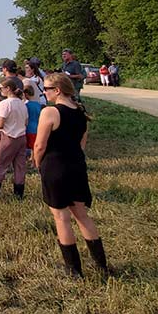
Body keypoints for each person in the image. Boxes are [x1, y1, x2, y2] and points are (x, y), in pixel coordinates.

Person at [32, 72, 109, 277]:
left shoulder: (50, 112)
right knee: (82, 215)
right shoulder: (80, 111)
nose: (44, 92)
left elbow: (39, 145)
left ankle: (73, 270)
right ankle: (101, 265)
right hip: (76, 165)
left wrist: (38, 164)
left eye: (46, 89)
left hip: (55, 166)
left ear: (57, 90)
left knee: (61, 218)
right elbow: (82, 143)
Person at [0, 77, 29, 199]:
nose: (0, 91)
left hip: (7, 136)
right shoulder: (22, 104)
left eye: (1, 88)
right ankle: (18, 194)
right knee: (20, 165)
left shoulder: (4, 104)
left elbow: (0, 124)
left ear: (8, 89)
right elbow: (26, 122)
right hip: (21, 137)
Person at [24, 84, 42, 165]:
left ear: (26, 94)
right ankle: (33, 159)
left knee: (28, 145)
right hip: (37, 127)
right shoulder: (38, 105)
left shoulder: (26, 105)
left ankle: (33, 162)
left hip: (28, 128)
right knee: (34, 146)